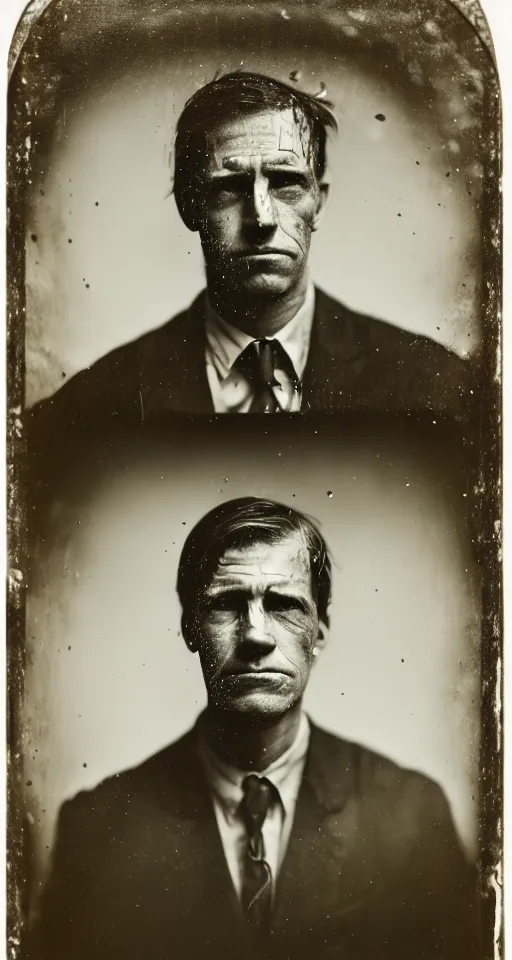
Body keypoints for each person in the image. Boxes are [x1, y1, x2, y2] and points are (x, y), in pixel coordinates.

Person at [31, 497, 479, 960]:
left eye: (284, 605)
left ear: (319, 631)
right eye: (226, 604)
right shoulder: (97, 831)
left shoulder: (411, 817)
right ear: (190, 629)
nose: (257, 636)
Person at [28, 71, 473, 431]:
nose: (261, 218)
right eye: (230, 188)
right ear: (190, 205)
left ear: (320, 200)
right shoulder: (90, 408)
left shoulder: (438, 387)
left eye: (285, 183)